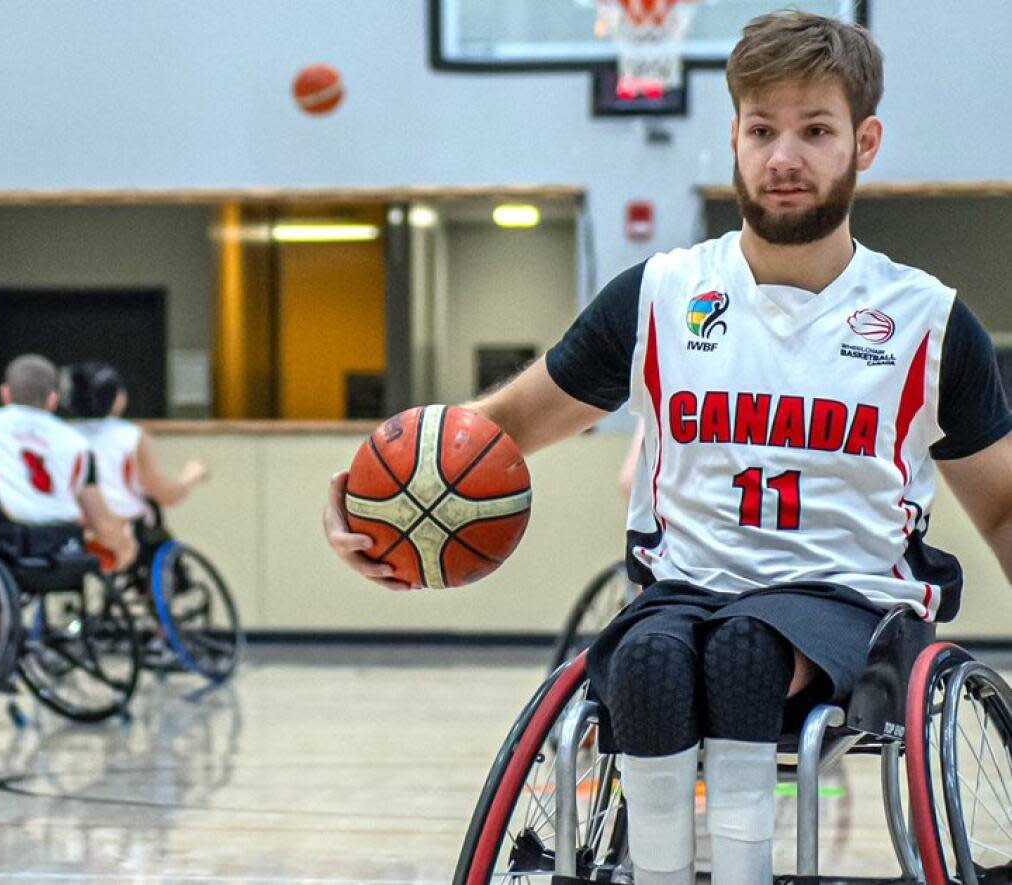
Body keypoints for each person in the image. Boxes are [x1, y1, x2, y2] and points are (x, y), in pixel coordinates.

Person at [324, 12, 1012, 885]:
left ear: (864, 143)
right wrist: (364, 495)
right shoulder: (660, 295)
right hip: (686, 592)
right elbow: (503, 426)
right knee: (647, 654)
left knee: (745, 650)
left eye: (815, 131)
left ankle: (742, 871)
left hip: (855, 605)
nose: (784, 157)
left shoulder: (927, 320)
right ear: (733, 136)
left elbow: (999, 502)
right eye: (762, 130)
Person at [0, 354, 137, 682]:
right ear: (53, 400)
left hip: (9, 540)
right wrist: (124, 548)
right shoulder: (77, 442)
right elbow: (99, 516)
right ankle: (3, 651)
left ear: (5, 394)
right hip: (63, 550)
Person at [63, 360, 208, 570]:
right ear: (118, 398)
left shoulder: (61, 434)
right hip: (120, 529)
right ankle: (162, 591)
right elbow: (165, 494)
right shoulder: (130, 436)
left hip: (71, 530)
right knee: (158, 537)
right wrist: (189, 477)